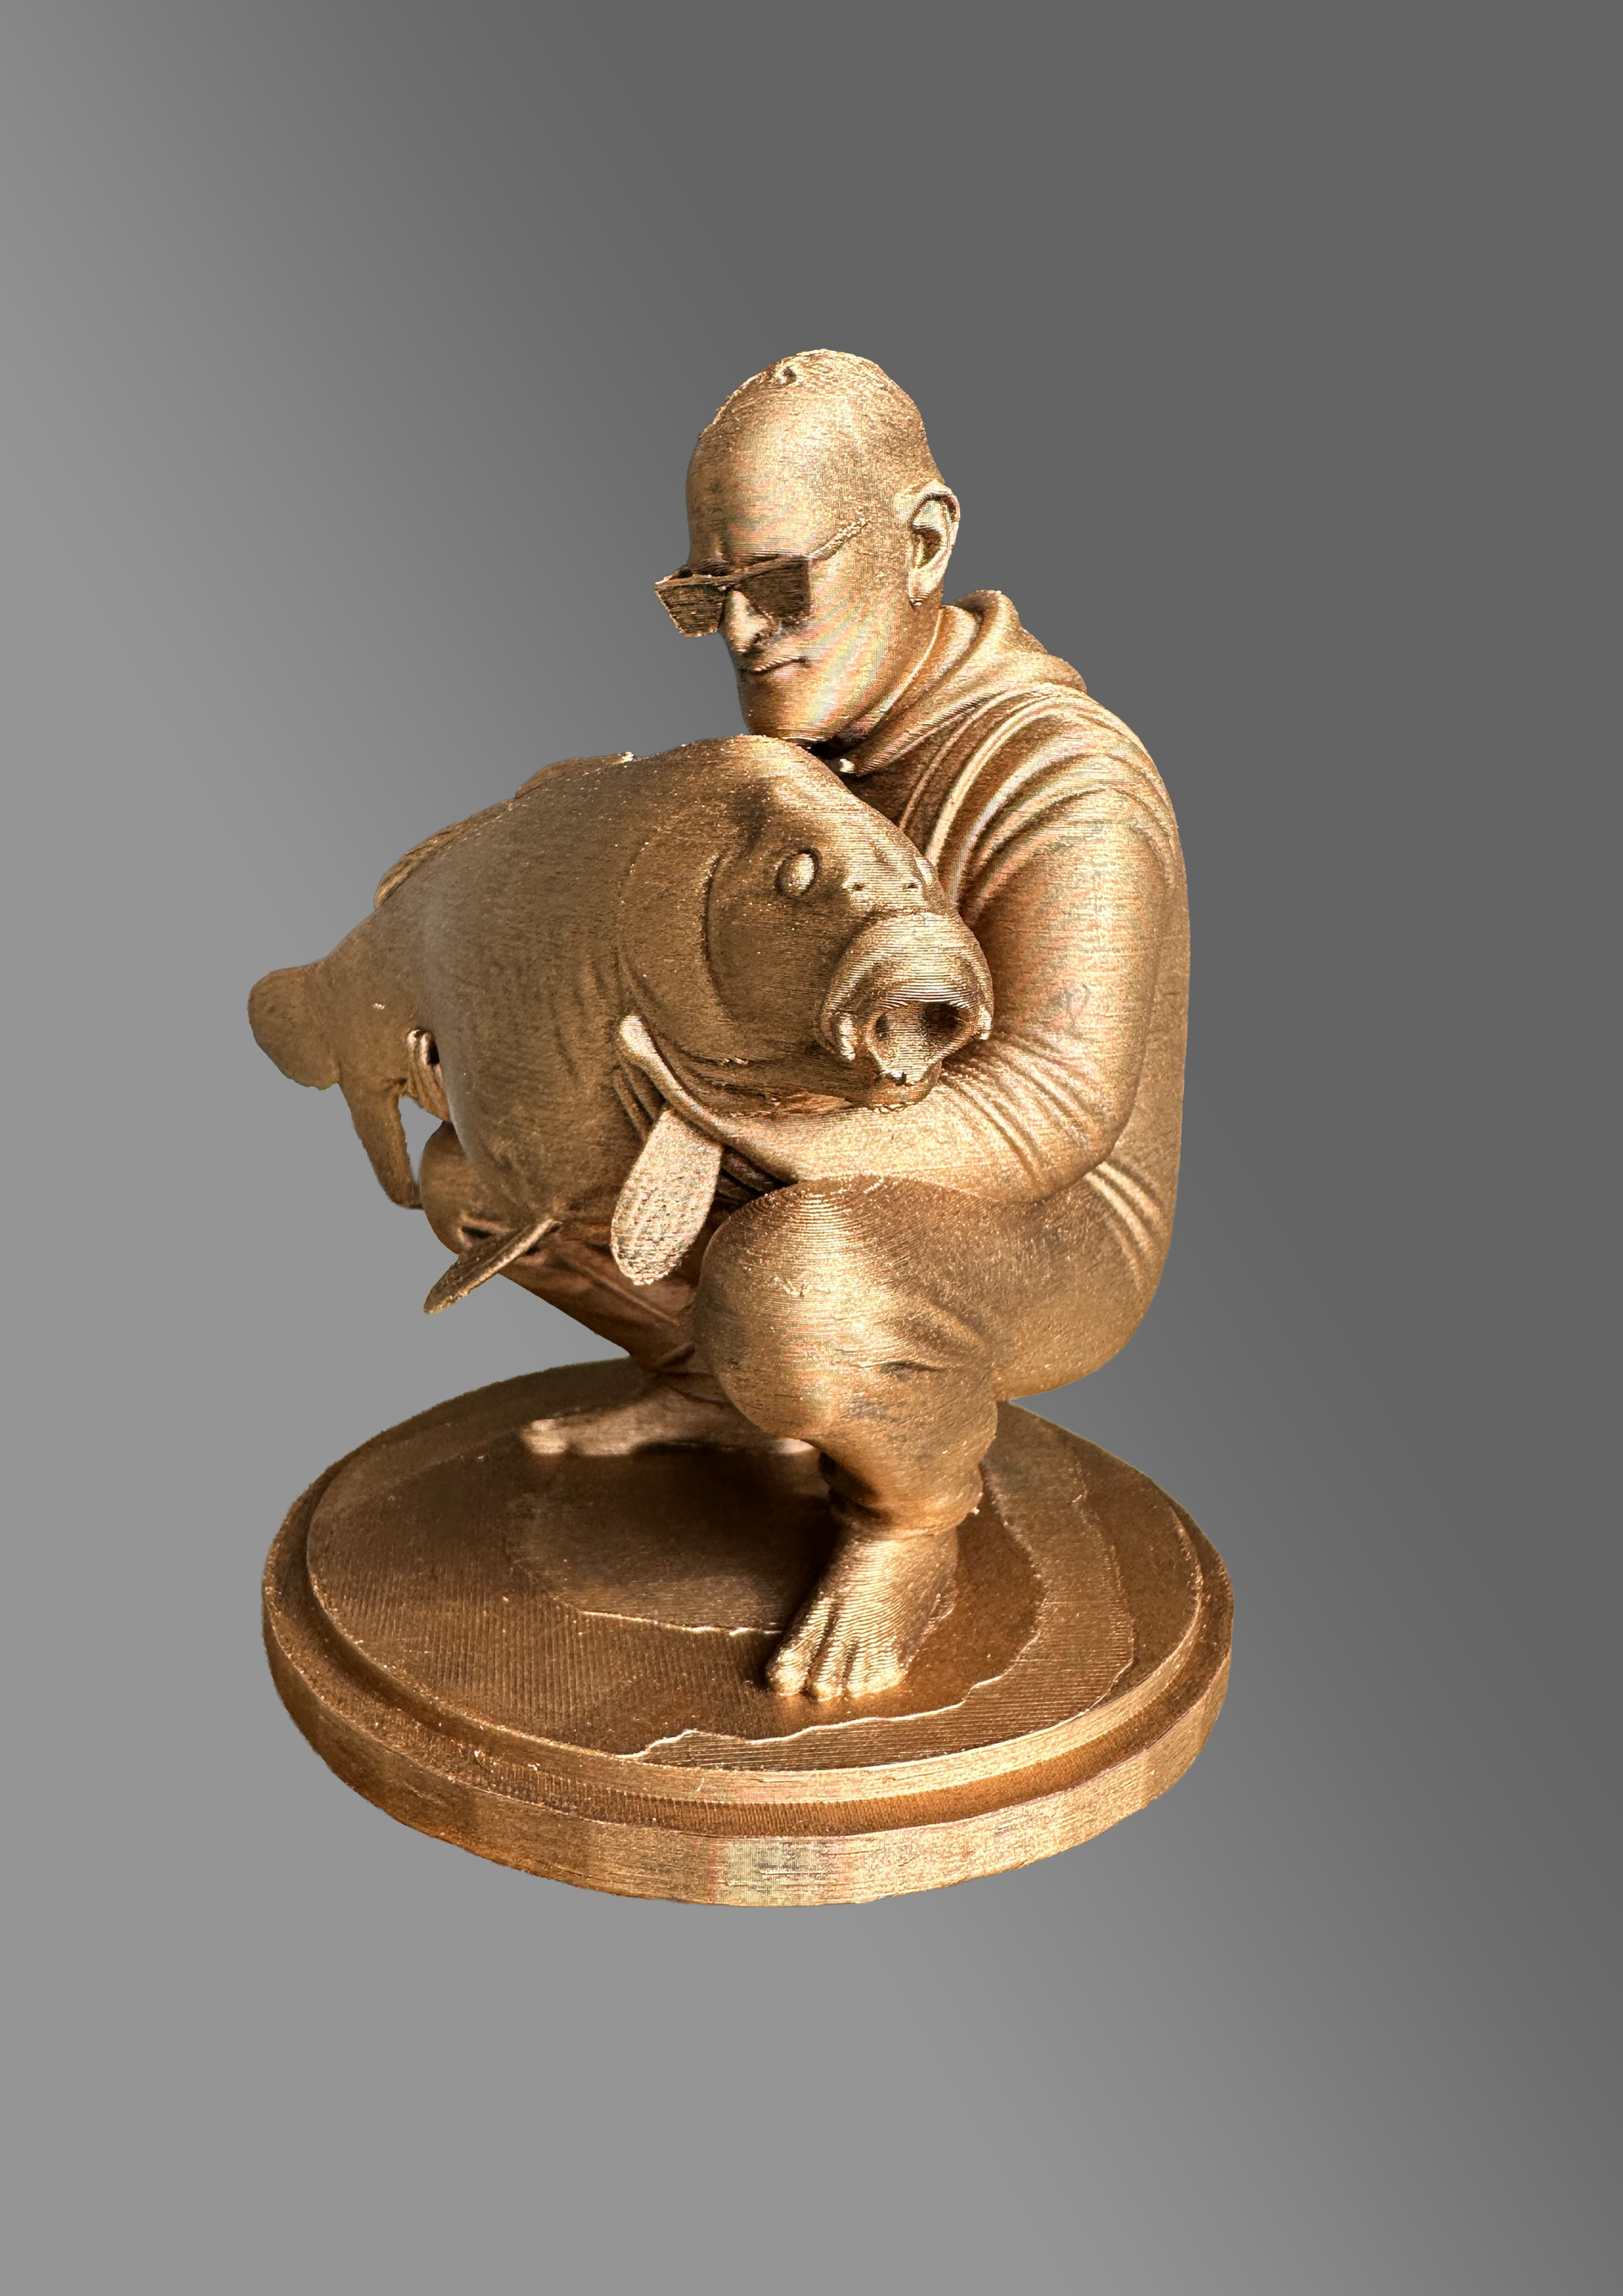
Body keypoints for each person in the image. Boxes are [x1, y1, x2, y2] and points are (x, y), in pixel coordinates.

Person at [419, 349, 1188, 1701]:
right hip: (807, 1142)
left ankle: (910, 1515)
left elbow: (1054, 1106)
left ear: (921, 544)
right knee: (477, 1178)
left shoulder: (1065, 778)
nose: (739, 633)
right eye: (702, 597)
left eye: (779, 586)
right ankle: (715, 1386)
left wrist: (758, 1137)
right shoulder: (809, 752)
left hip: (1046, 1219)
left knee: (793, 1285)